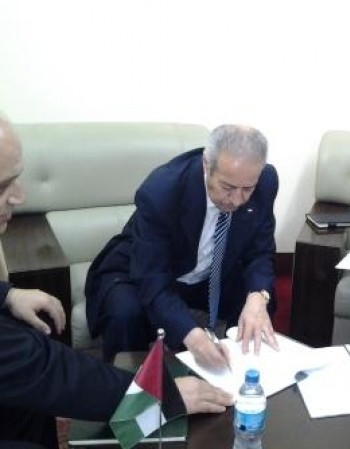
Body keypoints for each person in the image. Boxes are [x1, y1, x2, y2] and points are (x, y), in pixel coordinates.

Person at [0, 117, 233, 449]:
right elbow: (44, 370)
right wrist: (158, 395)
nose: (20, 197)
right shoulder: (163, 189)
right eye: (2, 186)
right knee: (125, 310)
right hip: (127, 275)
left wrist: (6, 295)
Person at [85, 124, 279, 368]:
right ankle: (131, 385)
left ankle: (241, 372)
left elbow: (260, 252)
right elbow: (151, 276)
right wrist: (191, 335)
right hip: (141, 268)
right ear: (206, 165)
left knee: (261, 299)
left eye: (247, 189)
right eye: (228, 187)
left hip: (210, 273)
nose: (238, 200)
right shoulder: (161, 191)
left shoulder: (266, 181)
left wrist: (258, 297)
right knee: (125, 313)